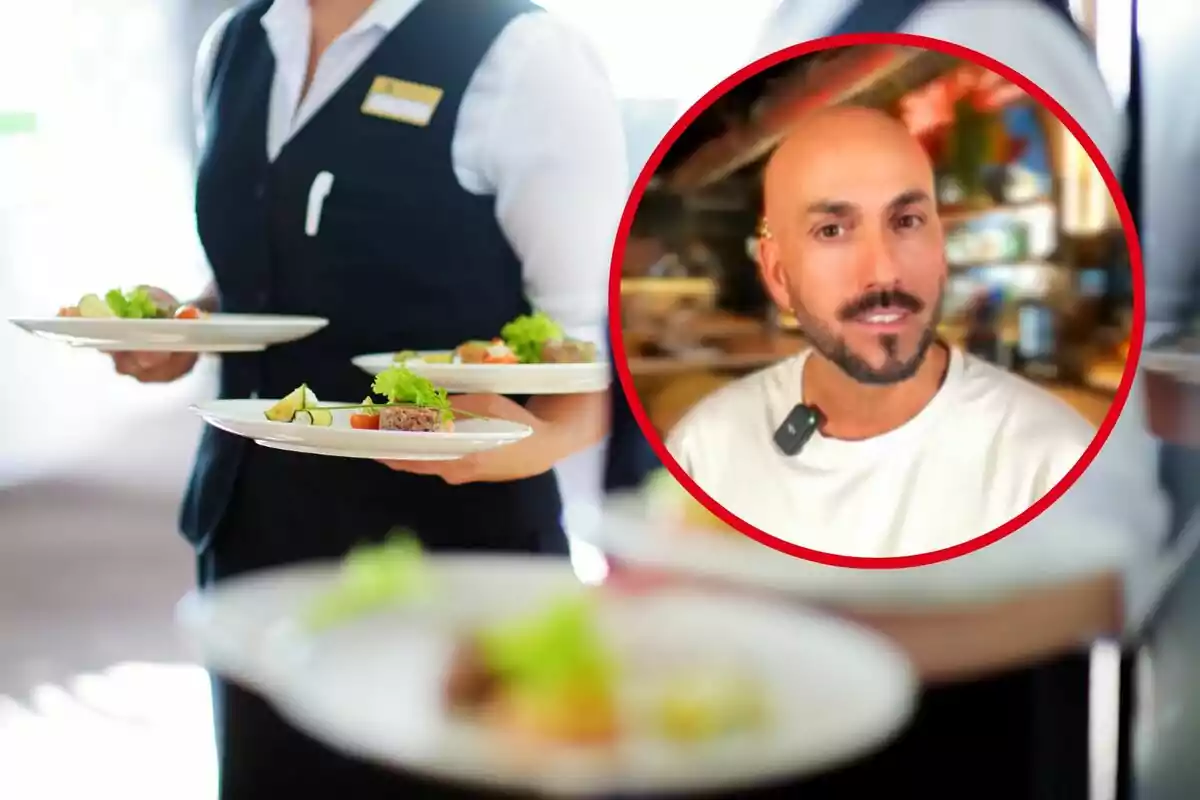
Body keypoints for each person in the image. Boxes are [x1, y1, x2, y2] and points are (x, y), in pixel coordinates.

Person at [112, 0, 626, 797]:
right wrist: (186, 326)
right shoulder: (236, 42)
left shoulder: (524, 56)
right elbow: (270, 265)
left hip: (445, 556)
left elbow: (592, 349)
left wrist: (525, 443)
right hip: (252, 542)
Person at [667, 105, 1095, 558]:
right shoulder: (706, 454)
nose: (884, 271)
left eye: (907, 222)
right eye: (832, 230)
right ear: (777, 275)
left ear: (941, 249)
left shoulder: (1054, 464)